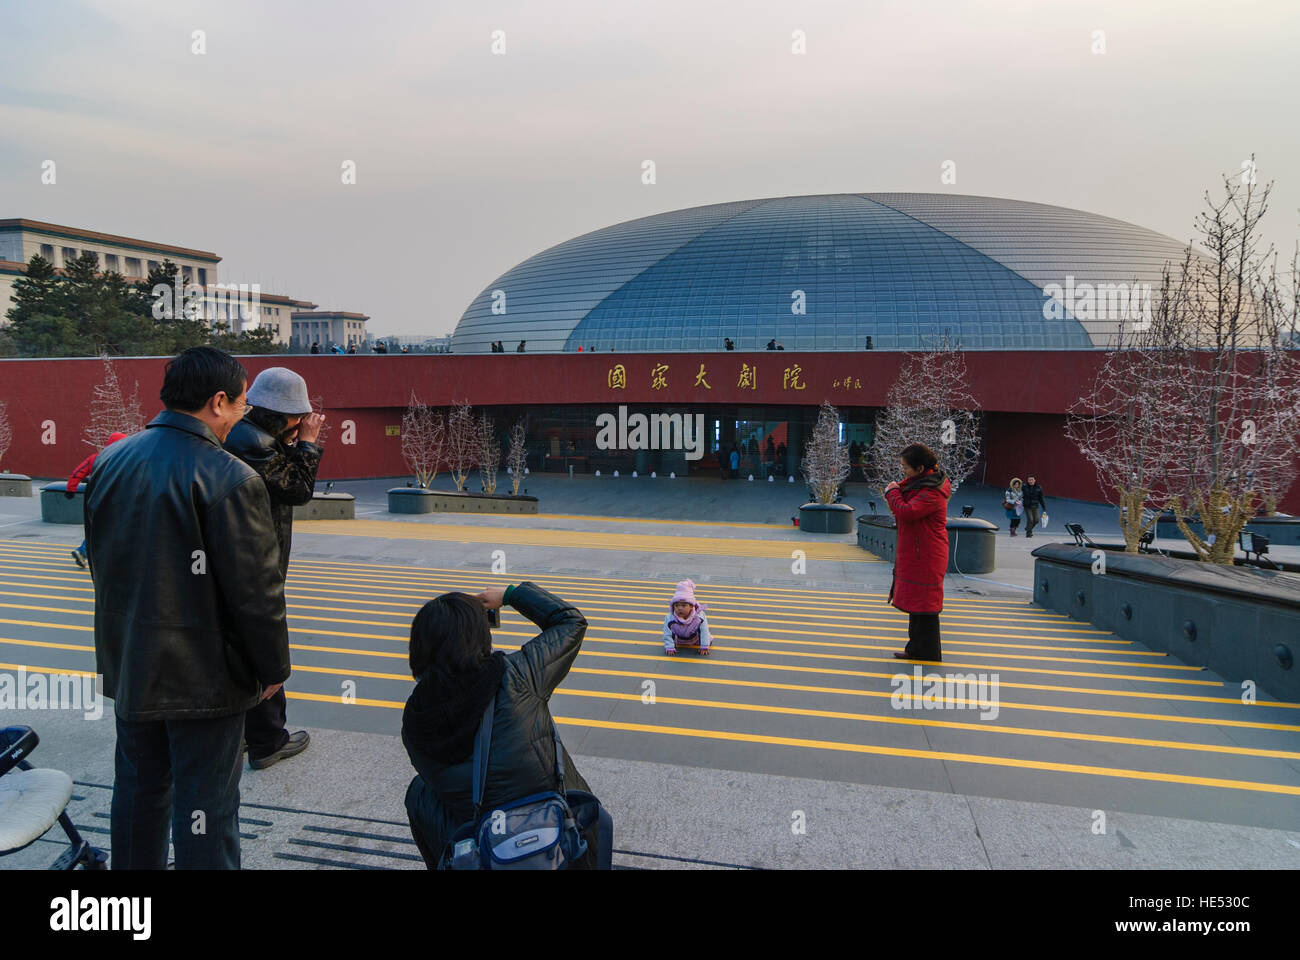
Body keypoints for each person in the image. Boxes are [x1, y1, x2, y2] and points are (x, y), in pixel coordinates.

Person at [84, 346, 289, 869]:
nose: (243, 413)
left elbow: (103, 563)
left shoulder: (111, 460)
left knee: (136, 794)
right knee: (206, 808)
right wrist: (272, 670)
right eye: (242, 403)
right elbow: (256, 595)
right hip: (204, 680)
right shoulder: (232, 478)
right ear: (218, 401)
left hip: (131, 663)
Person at [402, 582, 609, 869]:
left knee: (419, 794)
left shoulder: (414, 720)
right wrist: (511, 595)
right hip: (566, 837)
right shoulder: (516, 676)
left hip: (488, 842)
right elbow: (570, 621)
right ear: (479, 638)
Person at [224, 367, 325, 770]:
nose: (303, 422)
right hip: (257, 563)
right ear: (283, 414)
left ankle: (249, 734)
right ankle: (267, 739)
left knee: (244, 645)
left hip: (248, 559)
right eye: (298, 416)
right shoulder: (254, 442)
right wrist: (308, 444)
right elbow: (298, 491)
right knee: (262, 645)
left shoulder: (251, 435)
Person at [883, 443, 951, 663]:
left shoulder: (932, 491)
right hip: (919, 553)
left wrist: (892, 492)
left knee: (926, 607)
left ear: (920, 468)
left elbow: (907, 511)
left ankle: (929, 653)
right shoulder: (922, 484)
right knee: (917, 603)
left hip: (927, 555)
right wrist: (896, 490)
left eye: (906, 467)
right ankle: (915, 648)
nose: (903, 470)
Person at [66, 431, 128, 568]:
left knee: (97, 527)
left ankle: (84, 551)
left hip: (95, 499)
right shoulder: (127, 460)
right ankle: (85, 552)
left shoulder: (96, 458)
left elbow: (77, 472)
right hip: (118, 500)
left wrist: (71, 489)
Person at [663, 579, 711, 656]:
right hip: (679, 640)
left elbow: (704, 631)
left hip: (696, 640)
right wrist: (669, 647)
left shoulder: (699, 617)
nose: (680, 608)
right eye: (676, 605)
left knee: (707, 638)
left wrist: (704, 646)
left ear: (691, 606)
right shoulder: (670, 618)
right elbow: (667, 633)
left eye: (684, 605)